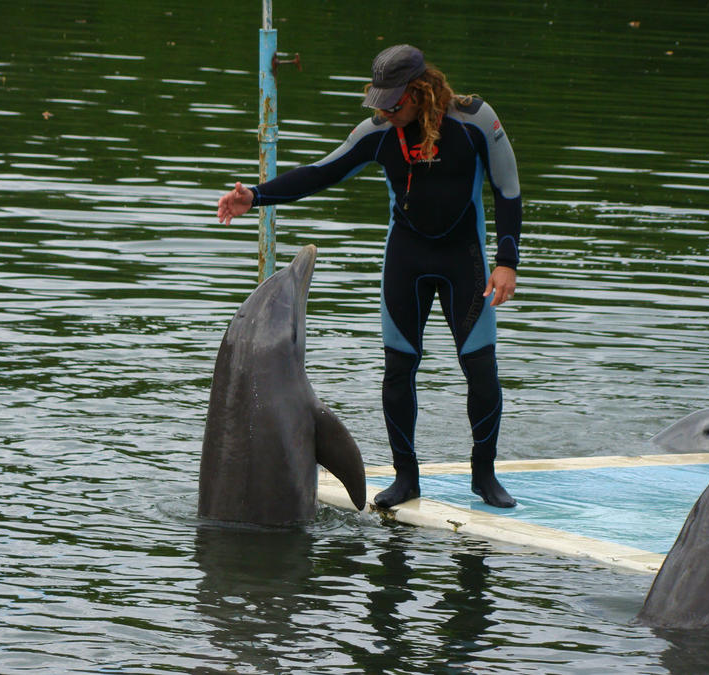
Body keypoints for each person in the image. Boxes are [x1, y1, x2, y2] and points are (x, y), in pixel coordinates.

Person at [217, 44, 520, 509]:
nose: (385, 110)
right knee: (399, 370)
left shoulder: (475, 121)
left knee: (480, 369)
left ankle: (485, 475)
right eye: (379, 101)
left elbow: (507, 189)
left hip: (466, 261)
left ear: (421, 92)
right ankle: (406, 477)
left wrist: (506, 261)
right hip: (407, 259)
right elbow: (320, 173)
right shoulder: (378, 132)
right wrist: (254, 196)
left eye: (394, 103)